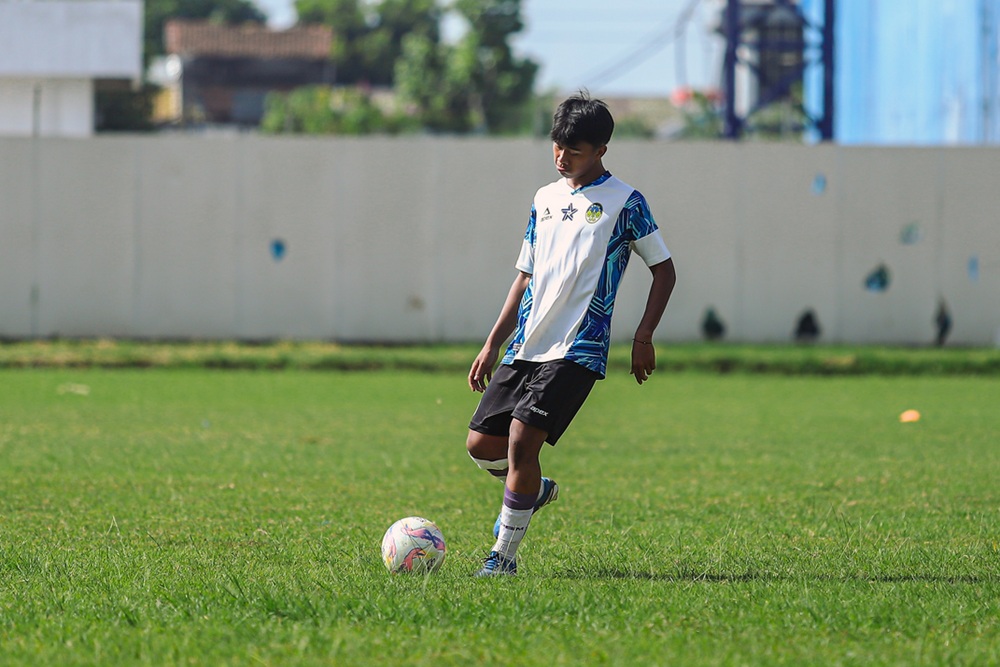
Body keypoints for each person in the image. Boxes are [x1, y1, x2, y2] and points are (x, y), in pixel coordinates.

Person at [465, 91, 677, 576]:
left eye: (574, 150)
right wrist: (493, 342)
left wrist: (643, 336)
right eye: (557, 146)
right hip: (526, 345)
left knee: (522, 443)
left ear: (601, 149)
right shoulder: (543, 198)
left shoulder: (626, 202)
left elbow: (664, 270)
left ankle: (503, 557)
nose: (562, 157)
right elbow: (525, 274)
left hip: (579, 348)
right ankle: (533, 491)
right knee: (482, 446)